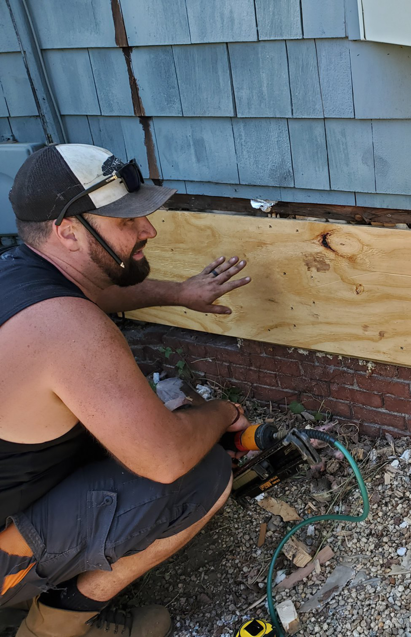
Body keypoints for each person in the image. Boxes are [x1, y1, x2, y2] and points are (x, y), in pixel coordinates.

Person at [0, 144, 253, 636]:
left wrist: (180, 293)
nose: (148, 229)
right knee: (199, 473)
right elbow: (166, 458)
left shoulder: (20, 273)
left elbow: (97, 288)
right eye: (126, 220)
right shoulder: (65, 328)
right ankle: (51, 627)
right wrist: (224, 412)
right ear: (68, 231)